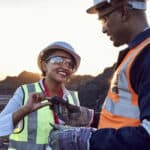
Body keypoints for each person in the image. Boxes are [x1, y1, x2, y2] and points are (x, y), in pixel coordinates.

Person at [48, 0, 150, 150]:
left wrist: (88, 141)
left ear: (124, 11)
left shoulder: (146, 55)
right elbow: (126, 118)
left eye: (105, 18)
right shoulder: (137, 54)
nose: (103, 29)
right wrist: (90, 119)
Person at [0, 41, 82, 150]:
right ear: (44, 66)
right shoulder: (24, 92)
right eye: (58, 60)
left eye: (70, 64)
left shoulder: (74, 99)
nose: (65, 66)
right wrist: (24, 110)